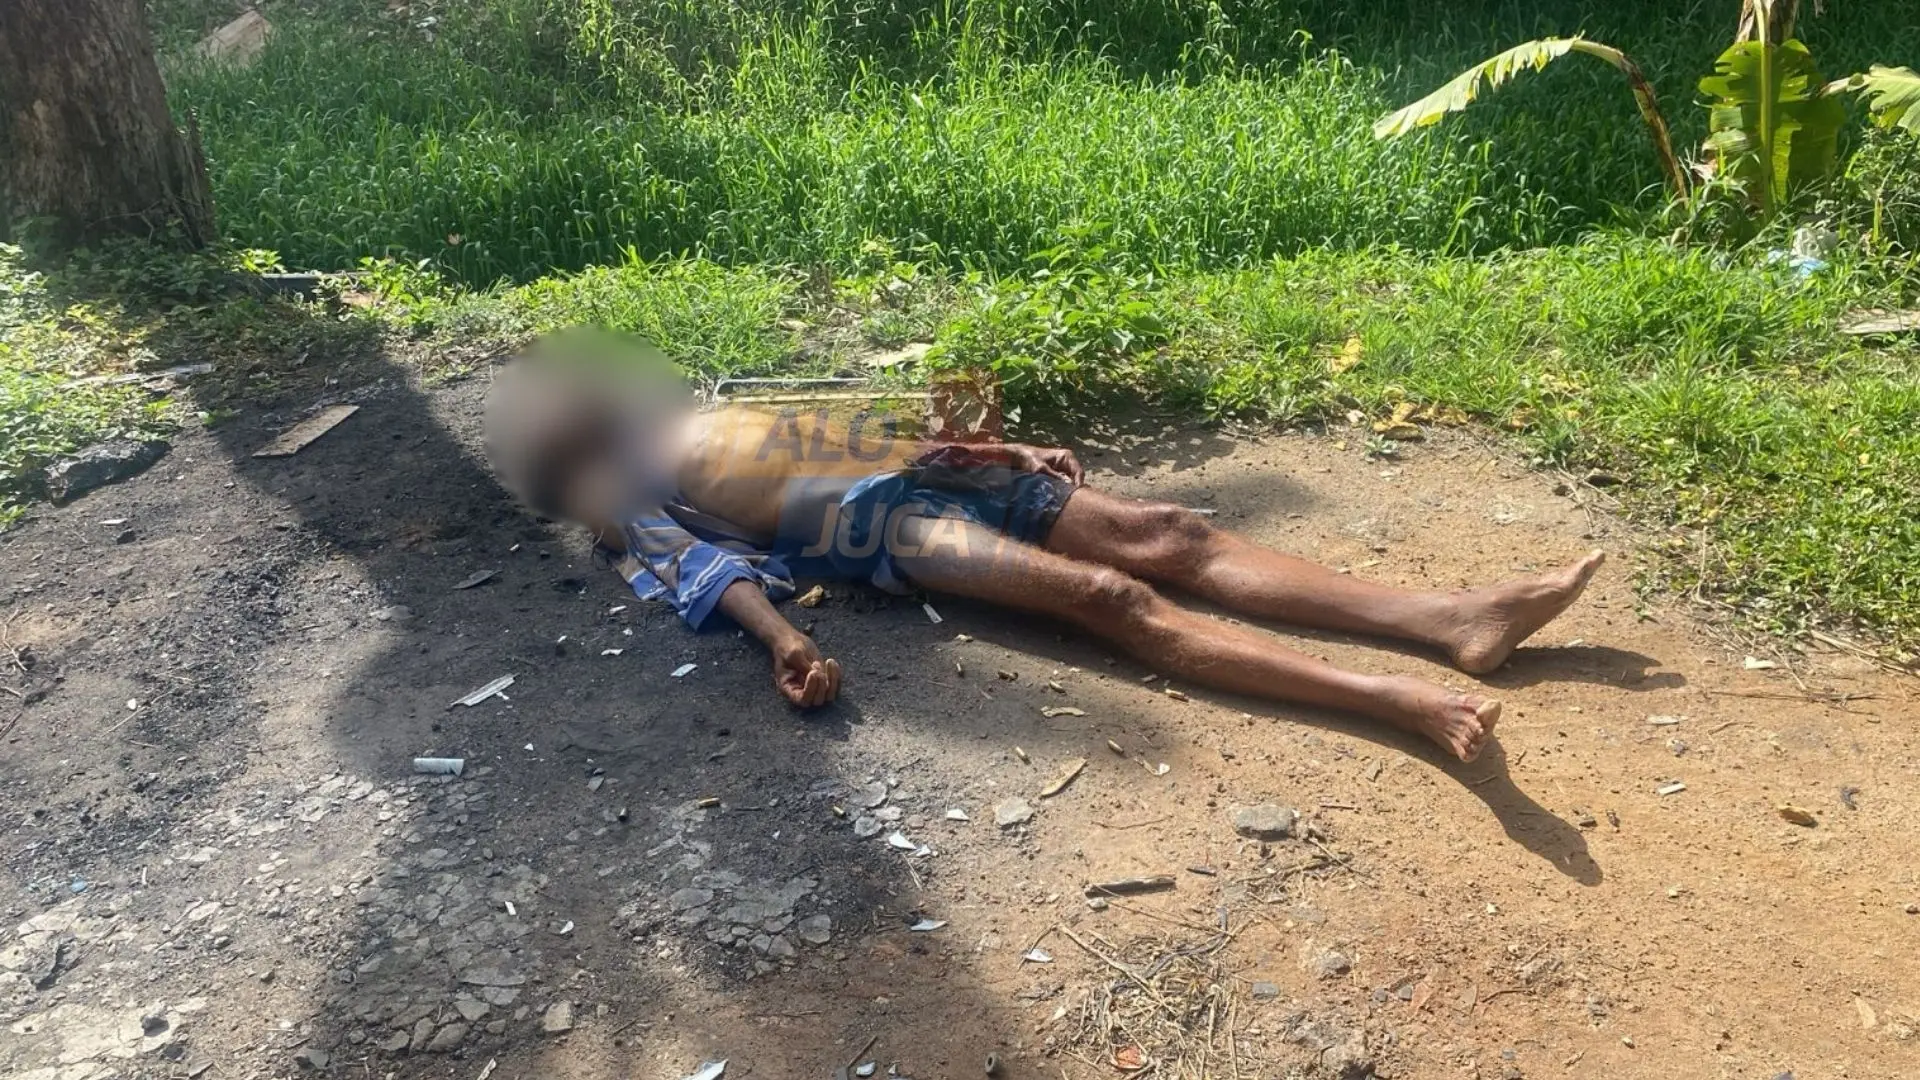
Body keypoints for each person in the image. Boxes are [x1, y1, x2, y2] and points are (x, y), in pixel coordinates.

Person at [483, 332, 1603, 763]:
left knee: (1170, 532)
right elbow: (699, 567)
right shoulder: (608, 488)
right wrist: (781, 638)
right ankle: (1391, 700)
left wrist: (994, 449)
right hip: (894, 533)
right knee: (1114, 599)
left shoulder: (683, 408)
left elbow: (843, 436)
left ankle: (1449, 619)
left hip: (931, 475)